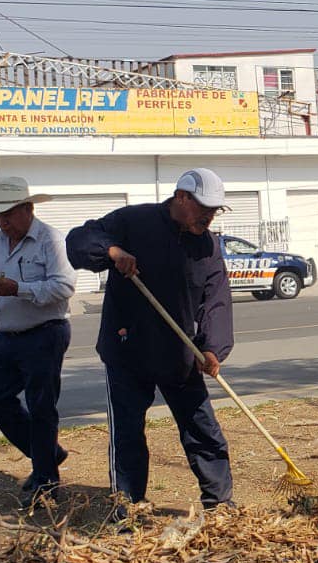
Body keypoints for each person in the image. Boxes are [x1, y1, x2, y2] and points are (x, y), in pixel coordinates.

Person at [66, 168, 234, 517]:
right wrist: (111, 251)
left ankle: (219, 503)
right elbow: (78, 241)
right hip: (128, 350)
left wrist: (212, 348)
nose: (209, 215)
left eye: (215, 210)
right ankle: (126, 508)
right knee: (127, 433)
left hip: (180, 352)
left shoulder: (208, 246)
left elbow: (216, 299)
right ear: (181, 197)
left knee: (203, 428)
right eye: (204, 206)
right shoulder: (133, 221)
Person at [0, 176, 75, 507]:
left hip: (44, 333)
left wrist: (21, 289)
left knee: (42, 406)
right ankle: (46, 454)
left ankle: (46, 481)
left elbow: (63, 288)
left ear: (28, 209)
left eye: (9, 213)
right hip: (5, 334)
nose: (2, 221)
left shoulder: (50, 240)